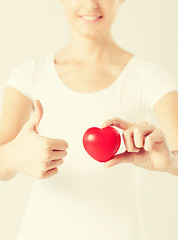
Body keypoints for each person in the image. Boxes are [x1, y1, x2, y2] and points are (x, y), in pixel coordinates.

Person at [0, 0, 178, 239]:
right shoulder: (28, 75)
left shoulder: (149, 77)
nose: (91, 4)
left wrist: (169, 162)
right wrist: (12, 156)